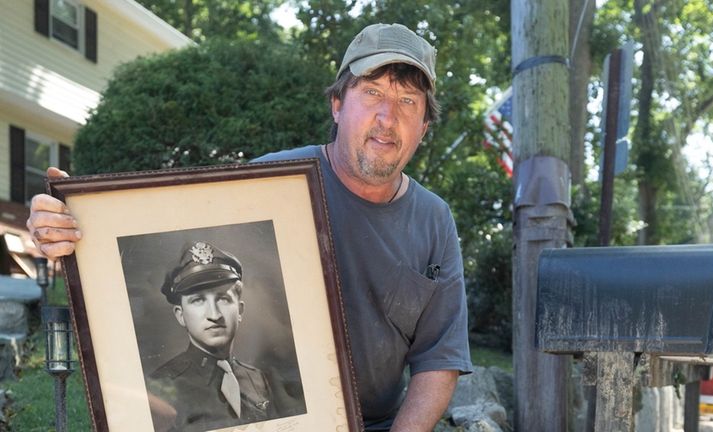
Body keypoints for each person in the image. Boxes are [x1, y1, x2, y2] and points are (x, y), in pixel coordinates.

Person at [27, 23, 472, 431]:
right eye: (372, 93)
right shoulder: (266, 187)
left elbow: (439, 358)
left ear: (424, 127)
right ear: (337, 105)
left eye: (407, 102)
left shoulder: (434, 220)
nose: (387, 117)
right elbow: (158, 234)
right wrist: (72, 228)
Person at [145, 240, 303, 431]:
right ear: (180, 315)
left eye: (223, 299)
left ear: (240, 311)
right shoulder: (158, 388)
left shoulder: (261, 380)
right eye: (198, 300)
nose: (214, 314)